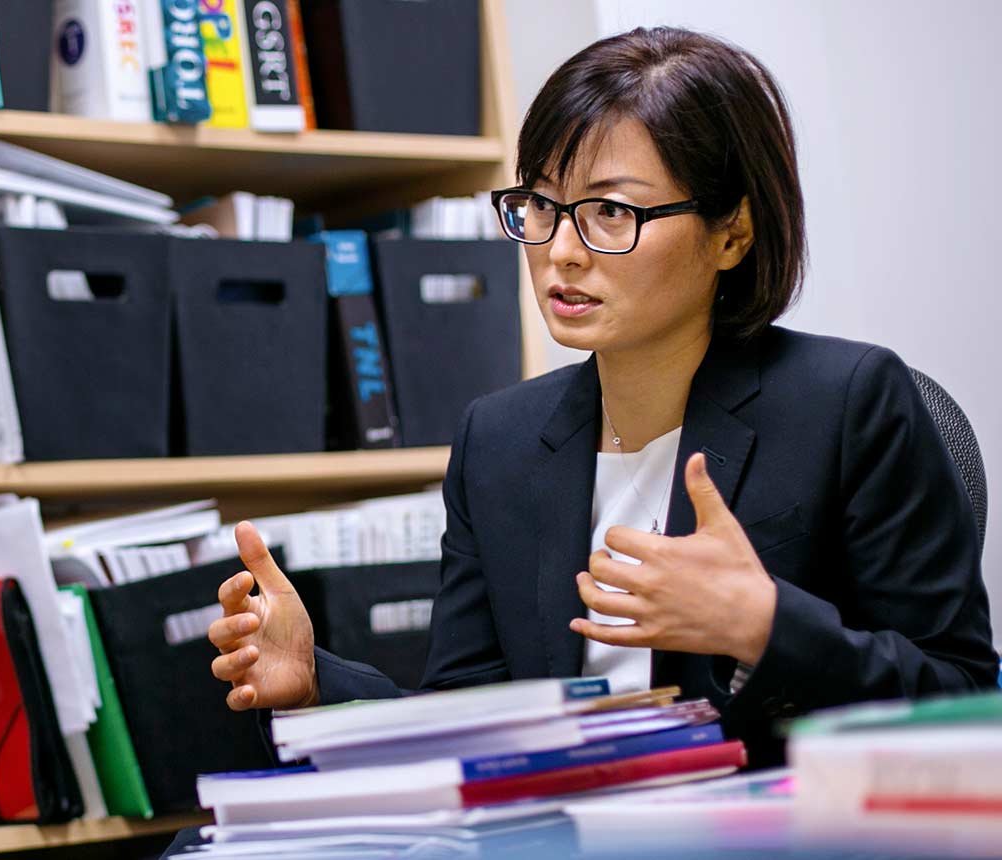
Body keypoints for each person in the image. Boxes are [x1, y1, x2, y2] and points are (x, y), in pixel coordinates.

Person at [209, 27, 997, 768]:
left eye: (611, 212)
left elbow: (964, 700)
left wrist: (763, 626)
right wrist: (320, 683)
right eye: (542, 207)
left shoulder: (850, 403)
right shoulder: (500, 439)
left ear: (733, 233)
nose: (560, 251)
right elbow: (470, 717)